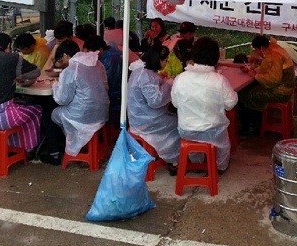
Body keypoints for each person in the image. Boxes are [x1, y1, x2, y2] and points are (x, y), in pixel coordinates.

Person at [171, 37, 238, 173]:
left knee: (194, 138)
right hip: (212, 131)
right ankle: (220, 167)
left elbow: (175, 103)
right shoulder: (219, 80)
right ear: (215, 57)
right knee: (224, 144)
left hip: (186, 130)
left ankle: (197, 163)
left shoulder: (180, 78)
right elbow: (230, 104)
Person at [50, 39, 109, 161]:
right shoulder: (97, 63)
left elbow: (62, 100)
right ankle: (78, 142)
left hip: (82, 116)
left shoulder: (71, 70)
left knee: (53, 113)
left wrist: (55, 85)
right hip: (102, 112)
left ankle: (69, 144)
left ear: (65, 56)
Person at [127, 43, 180, 174]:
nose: (166, 62)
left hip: (142, 116)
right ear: (157, 59)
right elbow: (156, 101)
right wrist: (168, 84)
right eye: (165, 60)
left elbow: (150, 90)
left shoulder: (142, 71)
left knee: (175, 119)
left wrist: (161, 80)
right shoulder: (145, 75)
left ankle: (170, 156)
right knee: (180, 125)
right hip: (146, 121)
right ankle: (174, 159)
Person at [237, 35, 295, 136]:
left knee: (246, 95)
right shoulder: (273, 49)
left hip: (280, 92)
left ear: (262, 48)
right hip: (281, 88)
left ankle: (253, 127)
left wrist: (256, 76)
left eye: (256, 50)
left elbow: (274, 79)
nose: (255, 52)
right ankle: (254, 123)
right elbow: (266, 67)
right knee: (248, 90)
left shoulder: (274, 55)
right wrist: (253, 66)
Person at [83, 35, 123, 125]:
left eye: (89, 53)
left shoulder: (111, 60)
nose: (87, 56)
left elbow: (106, 83)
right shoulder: (107, 55)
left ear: (100, 50)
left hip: (115, 100)